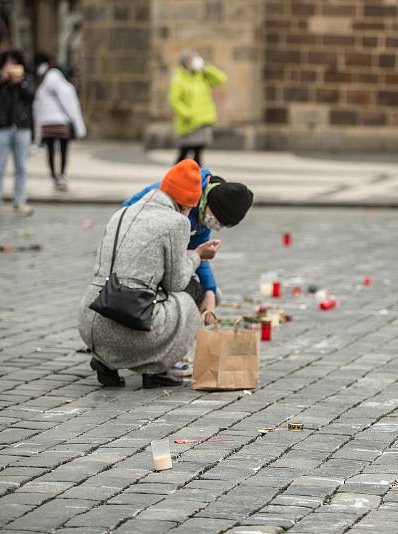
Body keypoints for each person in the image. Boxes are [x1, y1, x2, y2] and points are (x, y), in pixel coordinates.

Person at [78, 160, 222, 389]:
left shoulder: (123, 212)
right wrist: (196, 255)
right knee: (186, 299)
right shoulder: (177, 223)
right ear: (189, 204)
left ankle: (106, 359)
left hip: (89, 320)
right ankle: (157, 369)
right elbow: (176, 282)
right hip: (124, 321)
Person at [122, 166, 253, 327]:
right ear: (209, 203)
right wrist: (196, 254)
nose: (215, 225)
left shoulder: (203, 213)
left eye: (221, 225)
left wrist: (210, 290)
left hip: (166, 264)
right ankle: (171, 337)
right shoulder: (180, 197)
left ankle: (186, 335)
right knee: (186, 300)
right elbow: (174, 278)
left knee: (212, 295)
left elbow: (195, 253)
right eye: (216, 219)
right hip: (139, 266)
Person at [0, 50, 35, 216]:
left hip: (22, 128)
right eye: (9, 62)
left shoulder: (27, 78)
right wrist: (3, 78)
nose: (12, 66)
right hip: (1, 127)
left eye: (15, 62)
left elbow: (31, 96)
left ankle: (20, 201)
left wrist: (19, 82)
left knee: (21, 166)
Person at [32, 52, 87, 192]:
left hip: (47, 124)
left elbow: (37, 107)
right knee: (63, 151)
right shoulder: (66, 87)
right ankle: (62, 175)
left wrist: (37, 129)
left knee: (50, 152)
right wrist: (80, 128)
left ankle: (53, 176)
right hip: (62, 123)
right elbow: (72, 107)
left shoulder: (42, 88)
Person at [169, 50, 227, 165]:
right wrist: (187, 114)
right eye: (192, 59)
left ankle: (197, 179)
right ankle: (173, 178)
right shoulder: (179, 78)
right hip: (188, 122)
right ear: (185, 62)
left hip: (203, 120)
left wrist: (206, 69)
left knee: (198, 152)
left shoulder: (202, 76)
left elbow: (221, 78)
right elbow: (174, 99)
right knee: (184, 152)